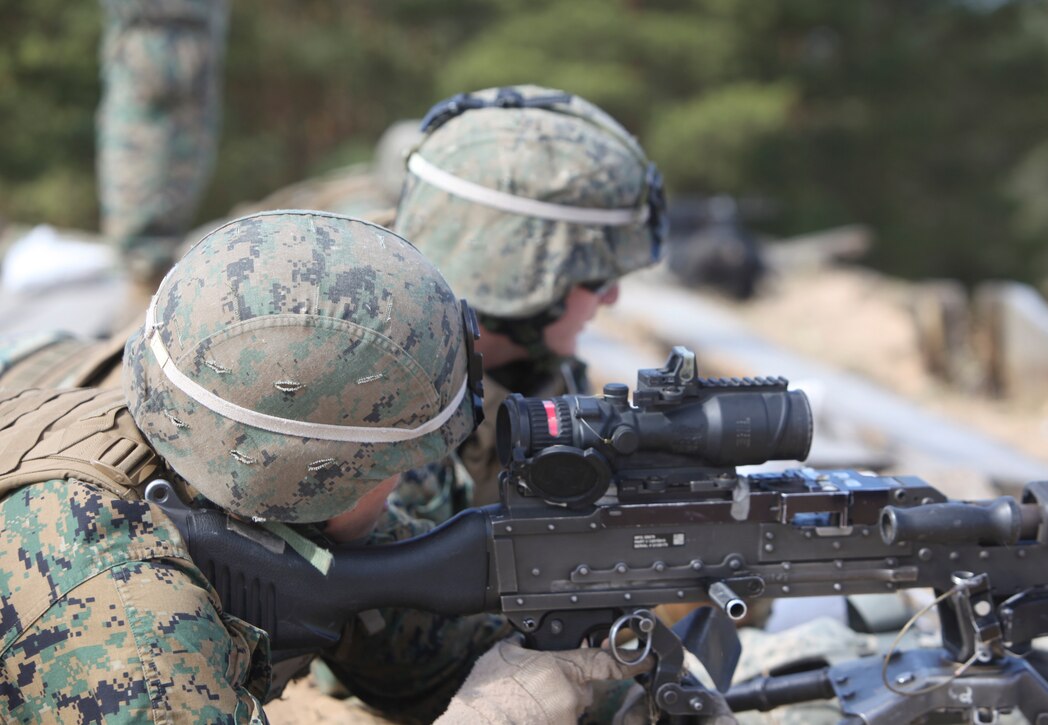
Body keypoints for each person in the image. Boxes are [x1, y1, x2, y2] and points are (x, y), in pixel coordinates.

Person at [1, 210, 635, 722]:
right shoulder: (124, 623)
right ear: (318, 475)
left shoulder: (223, 476)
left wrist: (620, 689)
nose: (404, 484)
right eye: (397, 462)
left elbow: (429, 652)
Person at [393, 84, 668, 511]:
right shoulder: (376, 416)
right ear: (517, 274)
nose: (611, 297)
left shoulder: (542, 378)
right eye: (596, 279)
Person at [97, 0, 229, 301]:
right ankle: (145, 291)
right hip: (158, 37)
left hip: (189, 34)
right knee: (146, 253)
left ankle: (149, 281)